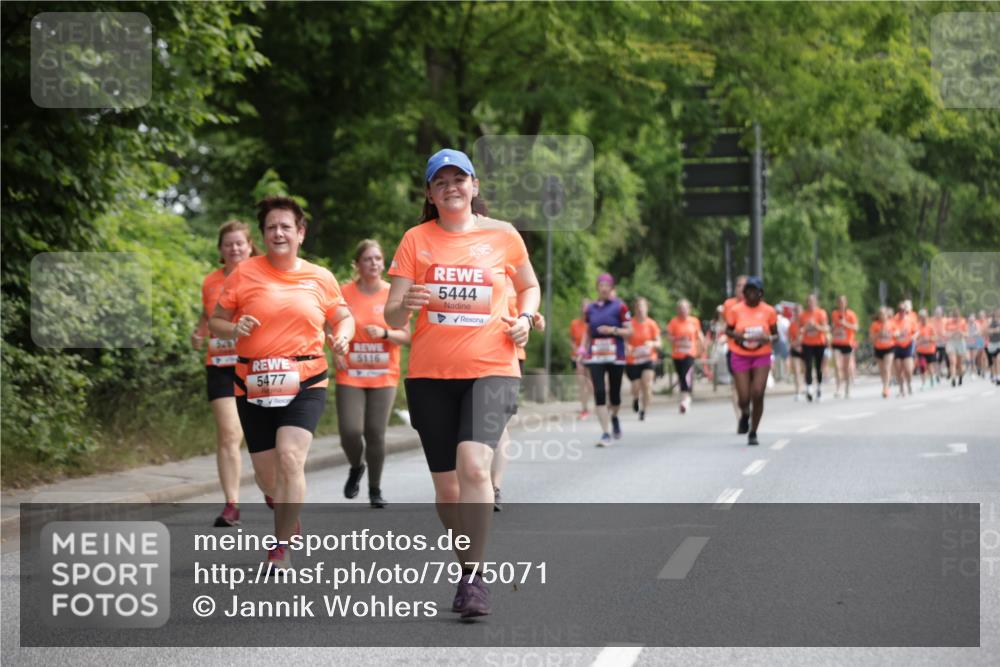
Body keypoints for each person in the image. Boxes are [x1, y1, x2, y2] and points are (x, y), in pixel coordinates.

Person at [384, 148, 540, 618]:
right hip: (431, 376)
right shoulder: (415, 240)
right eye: (441, 181)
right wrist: (406, 303)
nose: (451, 186)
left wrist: (527, 317)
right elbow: (391, 312)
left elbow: (529, 286)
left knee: (474, 468)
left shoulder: (503, 235)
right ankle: (465, 562)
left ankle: (473, 578)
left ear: (474, 186)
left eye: (460, 178)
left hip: (493, 367)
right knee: (449, 491)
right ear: (431, 194)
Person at [210, 196, 354, 570]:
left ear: (300, 233)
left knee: (291, 457)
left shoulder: (320, 276)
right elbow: (217, 321)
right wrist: (233, 327)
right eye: (271, 227)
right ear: (263, 234)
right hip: (252, 382)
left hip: (306, 378)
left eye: (286, 226)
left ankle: (280, 544)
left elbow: (342, 317)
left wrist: (343, 336)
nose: (278, 233)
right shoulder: (243, 274)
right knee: (266, 475)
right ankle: (283, 505)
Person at [334, 240, 411, 509]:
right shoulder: (343, 293)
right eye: (368, 259)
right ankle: (357, 466)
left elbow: (407, 335)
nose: (374, 263)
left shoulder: (393, 293)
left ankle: (375, 490)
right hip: (351, 372)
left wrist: (387, 333)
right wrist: (337, 349)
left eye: (378, 258)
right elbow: (326, 325)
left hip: (383, 373)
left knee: (375, 432)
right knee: (350, 431)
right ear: (357, 264)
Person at [192, 220, 258, 527]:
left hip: (256, 365)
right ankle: (231, 503)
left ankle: (270, 485)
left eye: (239, 243)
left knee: (258, 433)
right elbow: (208, 315)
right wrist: (198, 332)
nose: (234, 248)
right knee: (230, 433)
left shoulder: (262, 276)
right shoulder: (210, 281)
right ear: (220, 249)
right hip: (219, 365)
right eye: (228, 244)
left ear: (249, 246)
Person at [724, 276, 777, 446]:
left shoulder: (769, 311)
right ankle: (745, 414)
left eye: (755, 291)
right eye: (748, 291)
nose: (751, 294)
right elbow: (728, 330)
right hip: (740, 354)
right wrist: (738, 336)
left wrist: (767, 337)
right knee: (744, 397)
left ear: (760, 293)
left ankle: (753, 431)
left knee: (758, 393)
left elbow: (775, 335)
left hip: (761, 354)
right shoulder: (736, 310)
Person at [582, 273, 632, 446]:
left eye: (606, 285)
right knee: (600, 392)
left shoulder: (620, 307)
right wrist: (583, 348)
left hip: (615, 355)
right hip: (595, 355)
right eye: (600, 285)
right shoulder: (591, 308)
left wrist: (613, 330)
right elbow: (588, 331)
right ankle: (605, 433)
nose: (603, 288)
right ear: (597, 288)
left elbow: (629, 331)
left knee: (615, 395)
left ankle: (615, 416)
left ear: (611, 288)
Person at [625, 297, 660, 421]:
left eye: (642, 307)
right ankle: (635, 398)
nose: (640, 309)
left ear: (646, 308)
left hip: (648, 358)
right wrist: (627, 346)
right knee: (636, 386)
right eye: (638, 307)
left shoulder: (651, 324)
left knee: (647, 384)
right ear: (635, 309)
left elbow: (658, 342)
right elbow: (624, 341)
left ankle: (644, 410)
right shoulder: (629, 324)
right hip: (633, 360)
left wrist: (652, 344)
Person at [666, 299, 704, 414]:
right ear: (677, 310)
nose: (683, 311)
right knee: (681, 376)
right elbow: (669, 337)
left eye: (685, 308)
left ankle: (685, 399)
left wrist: (702, 346)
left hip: (690, 353)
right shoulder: (673, 322)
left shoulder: (694, 321)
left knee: (687, 374)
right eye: (681, 308)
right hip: (677, 354)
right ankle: (686, 397)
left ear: (689, 309)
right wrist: (677, 339)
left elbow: (699, 334)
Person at [722, 275, 748, 416]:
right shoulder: (728, 304)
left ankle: (747, 410)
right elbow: (725, 325)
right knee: (736, 384)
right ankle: (740, 417)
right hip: (734, 349)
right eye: (739, 285)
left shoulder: (755, 303)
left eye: (744, 285)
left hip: (753, 350)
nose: (741, 288)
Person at [798, 293, 829, 402]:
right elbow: (800, 330)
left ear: (816, 302)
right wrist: (806, 327)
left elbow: (825, 329)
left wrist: (815, 325)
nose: (810, 303)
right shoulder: (803, 315)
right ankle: (809, 389)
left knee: (818, 366)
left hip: (819, 343)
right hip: (807, 343)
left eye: (812, 301)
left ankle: (819, 387)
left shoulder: (821, 313)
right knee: (808, 365)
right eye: (808, 301)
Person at [830, 295, 858, 399]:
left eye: (843, 302)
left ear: (846, 303)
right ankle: (838, 388)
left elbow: (856, 327)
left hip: (847, 343)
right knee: (837, 366)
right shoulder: (834, 314)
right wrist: (834, 329)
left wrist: (846, 324)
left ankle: (847, 388)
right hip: (837, 342)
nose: (841, 304)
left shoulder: (851, 314)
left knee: (846, 368)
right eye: (839, 302)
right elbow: (832, 327)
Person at [569, 299, 593, 419]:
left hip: (591, 356)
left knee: (590, 384)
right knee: (581, 383)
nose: (585, 309)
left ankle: (593, 404)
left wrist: (586, 351)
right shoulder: (575, 323)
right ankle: (584, 409)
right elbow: (572, 340)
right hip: (577, 357)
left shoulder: (593, 323)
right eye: (583, 307)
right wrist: (577, 350)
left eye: (587, 307)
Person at [869, 307, 897, 398]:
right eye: (880, 314)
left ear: (887, 315)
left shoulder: (891, 323)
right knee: (881, 370)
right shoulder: (875, 325)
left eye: (884, 314)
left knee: (887, 367)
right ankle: (885, 383)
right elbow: (871, 338)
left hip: (889, 347)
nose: (882, 316)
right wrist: (878, 334)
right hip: (878, 348)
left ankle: (885, 388)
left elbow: (897, 332)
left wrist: (895, 334)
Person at [891, 301, 916, 397]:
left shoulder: (910, 320)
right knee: (898, 369)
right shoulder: (894, 320)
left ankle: (909, 383)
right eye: (900, 310)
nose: (902, 312)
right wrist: (895, 334)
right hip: (897, 346)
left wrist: (914, 336)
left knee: (908, 369)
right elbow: (891, 331)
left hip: (907, 345)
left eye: (904, 310)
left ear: (906, 311)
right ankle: (901, 388)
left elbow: (916, 331)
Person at [915, 309, 938, 390]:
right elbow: (914, 337)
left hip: (930, 350)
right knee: (922, 367)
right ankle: (923, 383)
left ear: (926, 317)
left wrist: (928, 339)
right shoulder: (917, 326)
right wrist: (918, 340)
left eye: (924, 317)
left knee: (930, 366)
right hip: (920, 350)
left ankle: (932, 378)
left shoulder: (930, 326)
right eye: (921, 317)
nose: (923, 319)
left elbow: (935, 337)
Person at [944, 307, 968, 387]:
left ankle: (960, 376)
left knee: (959, 363)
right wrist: (952, 334)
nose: (956, 318)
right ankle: (953, 379)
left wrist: (961, 333)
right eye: (954, 316)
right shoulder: (949, 322)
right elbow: (945, 333)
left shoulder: (963, 321)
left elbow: (966, 334)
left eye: (957, 316)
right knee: (952, 361)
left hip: (960, 342)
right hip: (951, 342)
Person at [788, 303, 804, 400]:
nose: (797, 313)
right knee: (796, 371)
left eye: (799, 311)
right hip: (795, 349)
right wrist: (793, 344)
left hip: (805, 349)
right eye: (796, 311)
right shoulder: (792, 324)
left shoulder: (805, 323)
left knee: (806, 370)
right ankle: (798, 391)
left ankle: (807, 387)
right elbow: (790, 338)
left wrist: (800, 342)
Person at [986, 308, 1000, 385]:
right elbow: (987, 331)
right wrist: (994, 330)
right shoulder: (991, 321)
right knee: (994, 361)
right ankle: (994, 375)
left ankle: (998, 377)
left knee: (998, 359)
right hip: (992, 343)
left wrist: (993, 330)